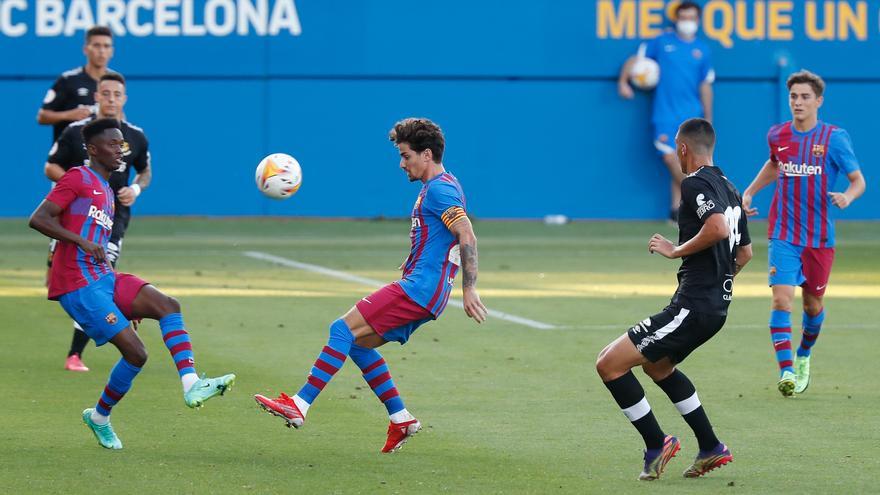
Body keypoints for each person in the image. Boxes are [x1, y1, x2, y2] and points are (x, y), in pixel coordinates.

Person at [254, 118, 488, 453]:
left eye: (406, 155)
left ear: (426, 154)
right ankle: (401, 418)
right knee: (358, 344)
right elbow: (441, 239)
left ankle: (300, 405)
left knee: (341, 329)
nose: (401, 163)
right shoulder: (439, 186)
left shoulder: (440, 189)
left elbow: (466, 234)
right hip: (425, 291)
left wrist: (470, 288)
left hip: (419, 290)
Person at [28, 118, 233, 450]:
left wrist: (124, 300)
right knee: (137, 354)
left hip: (103, 278)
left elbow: (95, 241)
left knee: (167, 305)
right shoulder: (77, 178)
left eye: (122, 144)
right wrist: (79, 241)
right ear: (92, 150)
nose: (120, 150)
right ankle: (98, 417)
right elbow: (38, 218)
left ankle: (193, 383)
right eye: (112, 144)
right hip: (78, 286)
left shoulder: (108, 192)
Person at [596, 118, 752, 481]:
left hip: (693, 306)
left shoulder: (695, 182)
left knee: (608, 364)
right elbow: (743, 254)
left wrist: (674, 250)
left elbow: (717, 228)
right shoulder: (729, 188)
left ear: (683, 148)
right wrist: (719, 285)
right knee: (657, 367)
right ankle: (711, 446)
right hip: (714, 307)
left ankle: (656, 442)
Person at [741, 70, 866, 397]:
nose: (798, 102)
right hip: (783, 233)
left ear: (818, 101)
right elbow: (774, 164)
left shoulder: (834, 139)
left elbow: (858, 180)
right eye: (793, 96)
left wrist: (847, 197)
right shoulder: (778, 135)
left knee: (812, 306)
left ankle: (804, 355)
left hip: (819, 239)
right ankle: (786, 371)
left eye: (805, 97)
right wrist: (751, 191)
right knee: (782, 299)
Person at [46, 72, 151, 372]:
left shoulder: (136, 136)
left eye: (117, 94)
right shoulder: (77, 132)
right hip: (77, 218)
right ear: (97, 96)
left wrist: (136, 189)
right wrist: (80, 184)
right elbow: (50, 166)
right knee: (68, 278)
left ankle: (76, 353)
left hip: (113, 219)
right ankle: (112, 326)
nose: (111, 99)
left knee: (98, 278)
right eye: (105, 94)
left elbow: (145, 171)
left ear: (124, 98)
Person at [618, 1, 714, 222]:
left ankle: (676, 212)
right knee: (670, 159)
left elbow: (705, 85)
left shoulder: (702, 50)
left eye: (691, 18)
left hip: (692, 114)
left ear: (697, 21)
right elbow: (636, 59)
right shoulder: (662, 42)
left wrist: (708, 116)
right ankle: (702, 201)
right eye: (683, 18)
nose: (687, 22)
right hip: (665, 115)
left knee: (686, 162)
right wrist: (623, 81)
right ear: (677, 19)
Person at [37, 26, 115, 142]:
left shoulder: (114, 81)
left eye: (106, 46)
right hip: (68, 156)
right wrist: (68, 115)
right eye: (96, 45)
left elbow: (119, 116)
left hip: (100, 155)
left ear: (111, 51)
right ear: (85, 49)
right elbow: (42, 116)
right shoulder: (68, 80)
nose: (101, 51)